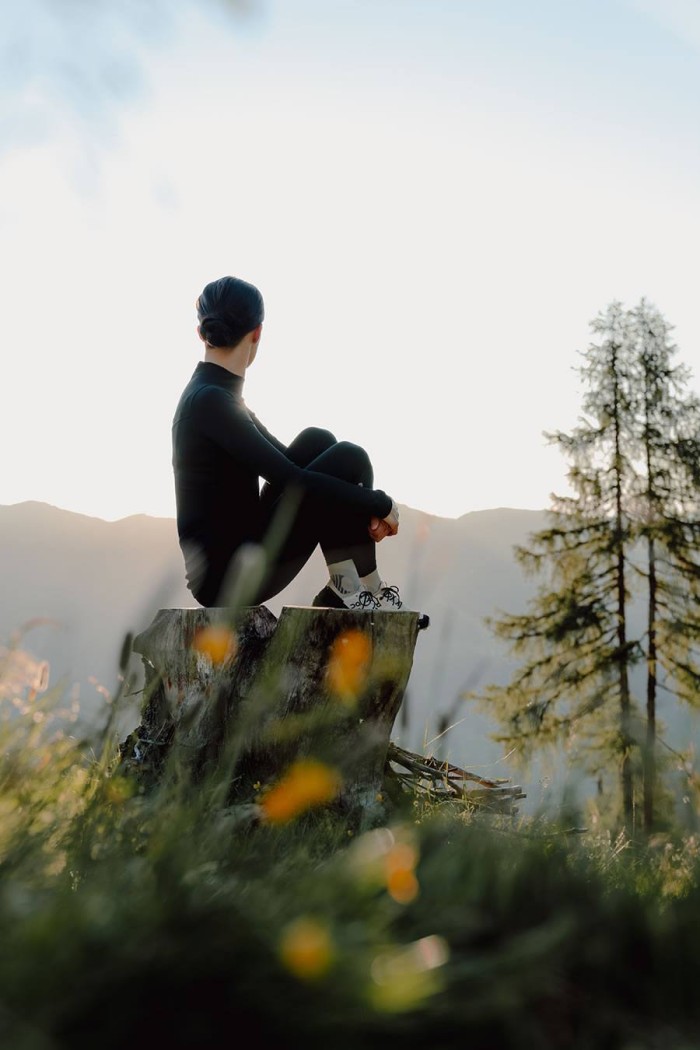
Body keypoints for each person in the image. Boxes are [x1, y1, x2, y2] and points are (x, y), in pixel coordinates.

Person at [172, 275, 404, 611]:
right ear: (258, 333)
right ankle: (364, 585)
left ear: (201, 334)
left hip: (243, 551)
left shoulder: (215, 395)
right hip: (228, 579)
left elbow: (290, 464)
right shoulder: (211, 401)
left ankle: (348, 584)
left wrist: (366, 502)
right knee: (348, 457)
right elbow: (293, 479)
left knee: (319, 441)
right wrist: (380, 503)